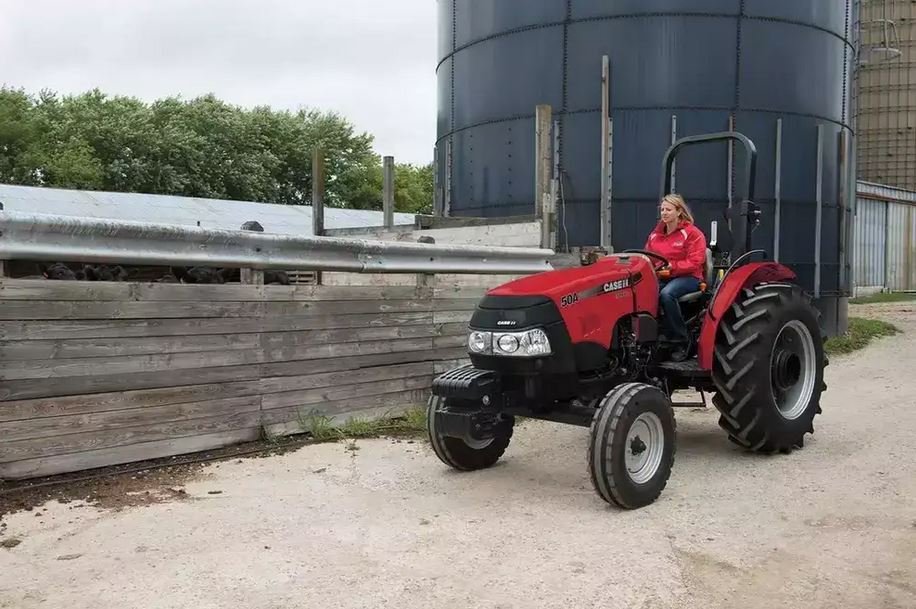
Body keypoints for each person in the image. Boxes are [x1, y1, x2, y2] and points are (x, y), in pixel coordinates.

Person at [644, 194, 708, 361]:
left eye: (668, 210)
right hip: (663, 276)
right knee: (642, 293)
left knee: (667, 294)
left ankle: (681, 339)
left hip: (689, 277)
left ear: (679, 212)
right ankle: (651, 337)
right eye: (662, 209)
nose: (664, 213)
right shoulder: (655, 235)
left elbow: (695, 262)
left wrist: (672, 267)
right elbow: (648, 257)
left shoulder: (693, 234)